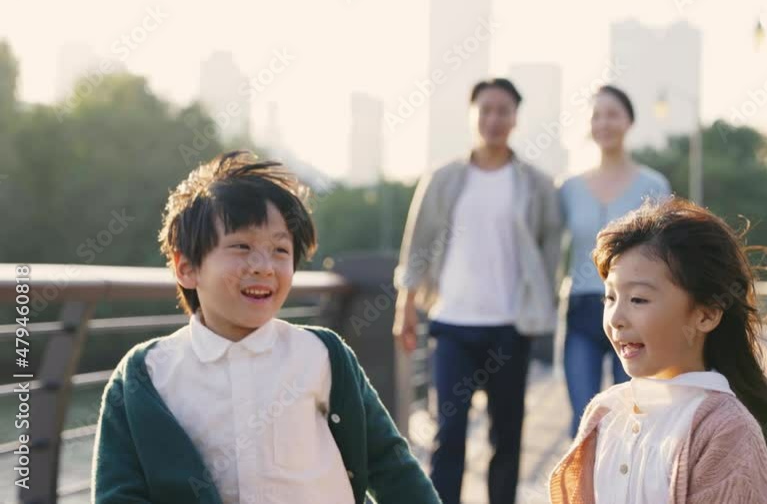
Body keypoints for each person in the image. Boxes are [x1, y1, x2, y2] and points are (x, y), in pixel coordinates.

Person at [92, 151, 440, 504]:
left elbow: (391, 465)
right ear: (186, 267)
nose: (263, 266)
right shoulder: (147, 375)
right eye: (241, 246)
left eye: (280, 250)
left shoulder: (323, 356)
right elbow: (118, 493)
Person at [549, 198, 767, 504]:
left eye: (638, 299)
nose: (616, 318)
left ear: (706, 314)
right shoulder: (606, 412)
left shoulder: (726, 430)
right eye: (609, 298)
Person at [393, 78, 562, 504]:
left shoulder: (536, 184)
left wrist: (541, 304)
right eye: (485, 110)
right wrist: (405, 307)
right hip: (452, 324)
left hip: (510, 327)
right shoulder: (444, 178)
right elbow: (417, 242)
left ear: (515, 118)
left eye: (503, 110)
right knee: (448, 434)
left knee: (506, 436)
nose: (493, 119)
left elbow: (549, 251)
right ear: (473, 115)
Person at [559, 85, 670, 436]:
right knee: (585, 422)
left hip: (638, 311)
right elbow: (547, 248)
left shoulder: (654, 184)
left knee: (636, 419)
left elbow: (667, 255)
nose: (604, 123)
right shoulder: (569, 188)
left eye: (612, 114)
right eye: (596, 116)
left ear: (629, 121)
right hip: (581, 311)